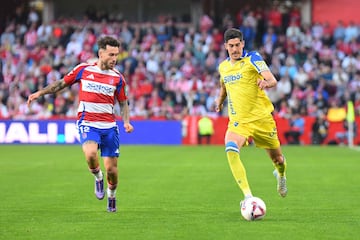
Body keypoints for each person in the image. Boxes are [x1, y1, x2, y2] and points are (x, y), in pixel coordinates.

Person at [27, 36, 134, 212]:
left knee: (113, 171)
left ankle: (112, 196)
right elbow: (61, 83)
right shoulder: (83, 69)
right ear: (101, 53)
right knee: (91, 154)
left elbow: (123, 102)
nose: (115, 59)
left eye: (117, 55)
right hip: (88, 122)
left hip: (109, 126)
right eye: (111, 54)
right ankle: (98, 177)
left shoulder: (118, 78)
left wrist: (127, 122)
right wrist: (40, 93)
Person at [215, 28, 287, 206]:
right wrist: (219, 101)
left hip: (262, 118)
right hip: (239, 121)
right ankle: (248, 197)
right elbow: (224, 87)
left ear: (243, 44)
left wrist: (266, 82)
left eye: (237, 45)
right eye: (231, 46)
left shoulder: (253, 58)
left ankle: (281, 174)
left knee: (278, 159)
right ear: (225, 46)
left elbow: (272, 79)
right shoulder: (223, 67)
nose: (235, 49)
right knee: (231, 149)